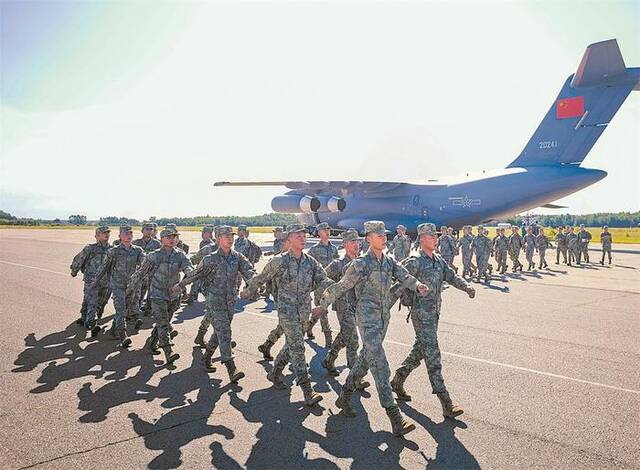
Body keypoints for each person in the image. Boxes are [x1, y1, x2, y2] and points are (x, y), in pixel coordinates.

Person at [315, 220, 429, 437]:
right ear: (368, 238)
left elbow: (405, 276)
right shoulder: (360, 265)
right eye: (379, 235)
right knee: (380, 365)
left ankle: (344, 396)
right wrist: (322, 305)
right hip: (366, 320)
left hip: (382, 319)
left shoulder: (389, 261)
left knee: (364, 360)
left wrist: (418, 285)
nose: (384, 238)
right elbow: (340, 287)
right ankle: (395, 416)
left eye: (384, 235)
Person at [241, 223, 333, 407]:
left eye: (304, 234)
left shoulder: (310, 262)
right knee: (298, 348)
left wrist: (339, 289)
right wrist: (247, 292)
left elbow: (324, 280)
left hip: (303, 312)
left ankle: (274, 373)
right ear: (288, 239)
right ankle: (308, 391)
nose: (302, 237)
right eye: (297, 235)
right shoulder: (279, 261)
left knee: (291, 345)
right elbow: (261, 278)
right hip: (286, 311)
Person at [390, 223, 475, 418]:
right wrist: (382, 308)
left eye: (436, 236)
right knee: (433, 354)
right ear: (421, 239)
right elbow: (399, 283)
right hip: (421, 314)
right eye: (431, 236)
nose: (435, 239)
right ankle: (446, 402)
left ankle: (397, 380)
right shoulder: (414, 261)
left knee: (420, 350)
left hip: (435, 313)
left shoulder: (438, 260)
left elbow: (452, 277)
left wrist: (466, 287)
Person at [174, 226, 255, 382]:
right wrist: (180, 285)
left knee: (219, 333)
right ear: (218, 238)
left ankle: (206, 358)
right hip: (214, 300)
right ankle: (231, 367)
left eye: (231, 235)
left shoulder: (237, 257)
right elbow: (195, 274)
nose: (230, 238)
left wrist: (256, 283)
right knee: (225, 332)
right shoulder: (210, 259)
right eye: (226, 236)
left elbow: (249, 271)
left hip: (230, 301)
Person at [127, 228, 193, 365]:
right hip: (157, 294)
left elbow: (188, 268)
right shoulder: (153, 256)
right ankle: (168, 352)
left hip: (174, 296)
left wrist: (188, 275)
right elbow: (140, 273)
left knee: (165, 321)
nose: (172, 239)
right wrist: (130, 289)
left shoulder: (180, 255)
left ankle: (153, 342)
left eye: (174, 237)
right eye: (169, 237)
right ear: (161, 239)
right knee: (163, 323)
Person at [93, 225, 145, 347]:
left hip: (131, 286)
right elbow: (103, 268)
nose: (128, 236)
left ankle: (112, 331)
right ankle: (123, 336)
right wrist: (95, 283)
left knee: (124, 310)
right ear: (120, 236)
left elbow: (144, 264)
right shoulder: (113, 251)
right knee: (121, 310)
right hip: (117, 285)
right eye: (125, 234)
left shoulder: (138, 251)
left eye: (130, 233)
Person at [321, 229, 361, 376]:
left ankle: (329, 359)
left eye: (357, 241)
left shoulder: (361, 262)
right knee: (353, 340)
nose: (356, 245)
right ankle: (355, 376)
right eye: (352, 242)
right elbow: (321, 277)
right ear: (345, 244)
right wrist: (332, 290)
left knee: (345, 335)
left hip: (357, 306)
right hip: (343, 306)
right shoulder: (337, 264)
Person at [69, 225, 112, 336]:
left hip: (106, 281)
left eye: (108, 232)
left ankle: (84, 317)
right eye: (104, 233)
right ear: (97, 236)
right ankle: (91, 323)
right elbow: (79, 260)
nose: (106, 234)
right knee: (92, 301)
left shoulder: (112, 249)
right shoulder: (90, 248)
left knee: (100, 301)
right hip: (91, 280)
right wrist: (74, 271)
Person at [256, 236, 291, 361]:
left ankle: (267, 345)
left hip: (296, 301)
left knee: (284, 326)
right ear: (285, 243)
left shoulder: (298, 259)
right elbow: (267, 279)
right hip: (282, 300)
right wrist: (268, 293)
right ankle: (293, 356)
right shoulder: (277, 260)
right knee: (291, 328)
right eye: (287, 242)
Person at [305, 222, 339, 347]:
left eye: (328, 229)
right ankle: (328, 337)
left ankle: (308, 326)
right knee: (323, 311)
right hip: (319, 286)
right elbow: (306, 266)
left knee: (321, 310)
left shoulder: (334, 248)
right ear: (319, 233)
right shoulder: (313, 250)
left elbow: (337, 266)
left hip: (331, 285)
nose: (327, 231)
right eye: (325, 230)